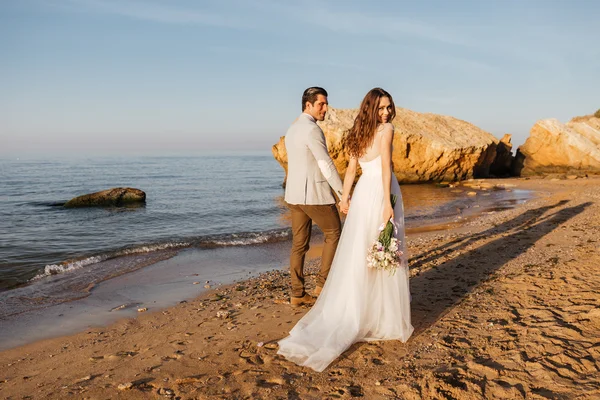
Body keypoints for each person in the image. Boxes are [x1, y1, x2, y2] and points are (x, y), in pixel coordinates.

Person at [278, 88, 414, 372]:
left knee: (363, 251)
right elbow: (386, 168)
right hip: (380, 191)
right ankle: (381, 316)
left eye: (389, 108)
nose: (387, 113)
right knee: (382, 248)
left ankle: (357, 309)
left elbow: (352, 170)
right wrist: (388, 203)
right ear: (371, 109)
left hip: (364, 193)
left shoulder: (358, 132)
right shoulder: (386, 130)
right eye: (381, 108)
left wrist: (345, 198)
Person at [284, 87, 344, 307]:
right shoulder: (312, 130)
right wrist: (342, 193)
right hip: (314, 195)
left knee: (299, 245)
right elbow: (325, 163)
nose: (325, 108)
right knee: (334, 233)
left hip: (294, 195)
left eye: (326, 103)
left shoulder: (292, 129)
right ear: (308, 105)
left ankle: (297, 294)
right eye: (321, 104)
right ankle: (322, 285)